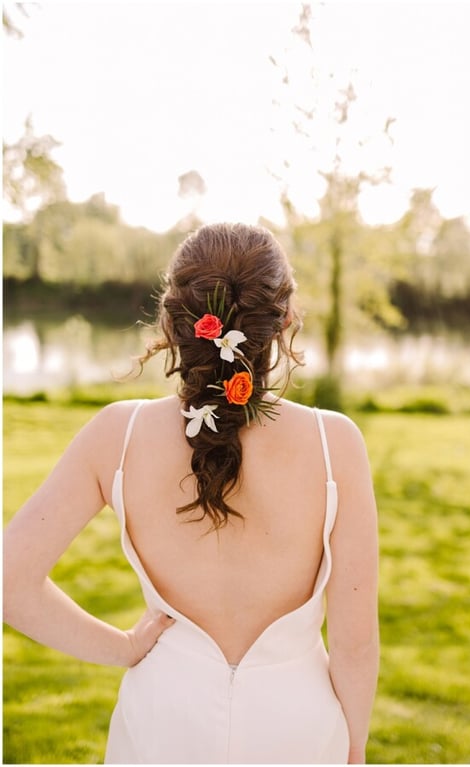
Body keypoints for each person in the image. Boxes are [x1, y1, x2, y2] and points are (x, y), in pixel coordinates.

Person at [3, 223, 379, 764]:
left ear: (170, 319)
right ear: (286, 319)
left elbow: (9, 582)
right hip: (296, 728)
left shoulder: (117, 435)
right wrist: (355, 745)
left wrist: (125, 649)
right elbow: (355, 642)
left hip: (162, 724)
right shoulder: (334, 442)